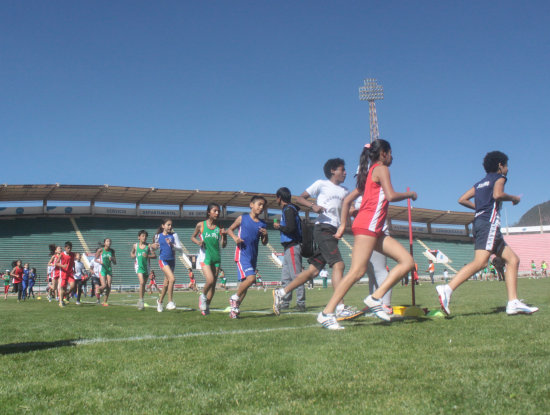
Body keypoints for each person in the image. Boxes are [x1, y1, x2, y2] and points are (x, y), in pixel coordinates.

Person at [317, 139, 417, 329]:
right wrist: (410, 194)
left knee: (408, 262)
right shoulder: (380, 169)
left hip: (375, 228)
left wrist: (344, 225)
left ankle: (375, 298)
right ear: (383, 153)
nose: (392, 157)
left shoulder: (369, 173)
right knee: (357, 271)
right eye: (390, 152)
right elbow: (390, 196)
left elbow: (347, 201)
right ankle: (326, 313)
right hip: (368, 226)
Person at [436, 151, 538, 316]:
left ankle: (513, 302)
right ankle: (447, 289)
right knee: (481, 262)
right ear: (500, 165)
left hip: (480, 223)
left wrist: (480, 208)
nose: (507, 168)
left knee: (513, 260)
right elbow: (498, 194)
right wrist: (514, 198)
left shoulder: (480, 183)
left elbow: (461, 199)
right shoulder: (500, 178)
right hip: (489, 224)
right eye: (506, 165)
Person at [273, 158, 357, 319]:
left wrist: (354, 211)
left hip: (334, 232)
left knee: (312, 271)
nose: (345, 172)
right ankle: (340, 307)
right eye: (342, 169)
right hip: (322, 229)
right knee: (339, 264)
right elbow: (300, 198)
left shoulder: (346, 191)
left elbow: (350, 208)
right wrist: (313, 206)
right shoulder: (321, 184)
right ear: (333, 170)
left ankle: (281, 292)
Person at [227, 195, 268, 318]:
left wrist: (266, 235)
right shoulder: (242, 218)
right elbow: (230, 230)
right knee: (251, 279)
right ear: (251, 205)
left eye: (263, 206)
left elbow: (264, 242)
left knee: (245, 286)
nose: (261, 207)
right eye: (259, 204)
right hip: (242, 254)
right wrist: (235, 238)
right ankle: (234, 298)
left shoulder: (262, 224)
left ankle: (234, 310)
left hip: (253, 256)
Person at [272, 187, 306, 314]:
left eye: (277, 197)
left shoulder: (288, 210)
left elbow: (291, 228)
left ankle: (301, 302)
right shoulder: (289, 209)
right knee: (286, 277)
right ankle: (285, 302)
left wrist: (279, 227)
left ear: (279, 198)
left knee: (296, 276)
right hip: (288, 247)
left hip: (292, 245)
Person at [191, 203, 227, 316]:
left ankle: (206, 307)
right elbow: (193, 237)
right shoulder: (201, 225)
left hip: (216, 258)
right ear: (208, 212)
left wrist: (224, 236)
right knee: (210, 280)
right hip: (205, 256)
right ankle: (202, 296)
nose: (217, 213)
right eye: (215, 211)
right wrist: (198, 242)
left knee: (213, 285)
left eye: (218, 211)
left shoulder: (219, 226)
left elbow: (223, 245)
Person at [153, 218, 183, 312]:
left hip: (172, 261)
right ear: (163, 226)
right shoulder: (157, 236)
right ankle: (170, 302)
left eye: (171, 225)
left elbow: (180, 249)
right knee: (172, 279)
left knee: (166, 284)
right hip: (163, 260)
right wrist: (152, 247)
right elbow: (154, 248)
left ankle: (160, 301)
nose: (170, 227)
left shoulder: (174, 235)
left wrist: (172, 245)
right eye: (168, 225)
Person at [130, 230, 156, 310]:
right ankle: (141, 301)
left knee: (143, 284)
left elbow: (154, 256)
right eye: (142, 236)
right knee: (141, 282)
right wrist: (133, 255)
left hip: (146, 267)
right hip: (138, 266)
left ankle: (141, 299)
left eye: (145, 236)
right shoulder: (135, 245)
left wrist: (147, 255)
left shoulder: (149, 246)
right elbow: (132, 254)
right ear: (139, 237)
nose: (144, 237)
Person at [94, 238, 117, 307]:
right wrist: (100, 261)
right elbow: (95, 259)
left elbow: (115, 262)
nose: (109, 242)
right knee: (104, 286)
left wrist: (112, 259)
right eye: (107, 241)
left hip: (109, 270)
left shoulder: (112, 251)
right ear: (104, 243)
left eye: (110, 241)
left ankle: (105, 302)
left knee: (109, 286)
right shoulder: (101, 250)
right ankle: (97, 289)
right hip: (102, 270)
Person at [58, 241, 76, 308]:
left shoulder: (72, 254)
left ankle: (67, 294)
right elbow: (56, 263)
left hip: (70, 273)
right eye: (68, 248)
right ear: (65, 248)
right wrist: (62, 266)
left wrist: (74, 268)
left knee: (73, 285)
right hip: (64, 273)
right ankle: (61, 301)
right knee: (63, 288)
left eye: (70, 248)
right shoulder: (62, 254)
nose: (69, 249)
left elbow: (72, 262)